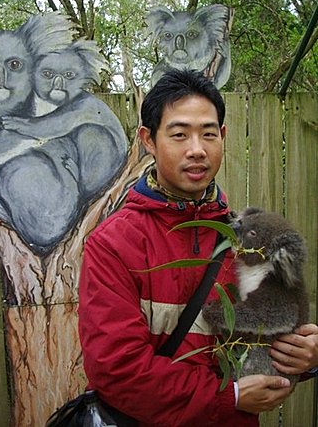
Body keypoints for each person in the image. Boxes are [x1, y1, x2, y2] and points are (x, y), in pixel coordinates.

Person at [78, 69, 318, 426]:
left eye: (208, 134)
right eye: (179, 135)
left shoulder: (250, 242)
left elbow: (269, 345)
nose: (197, 150)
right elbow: (117, 370)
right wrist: (229, 397)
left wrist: (303, 357)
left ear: (222, 136)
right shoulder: (113, 243)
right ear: (148, 140)